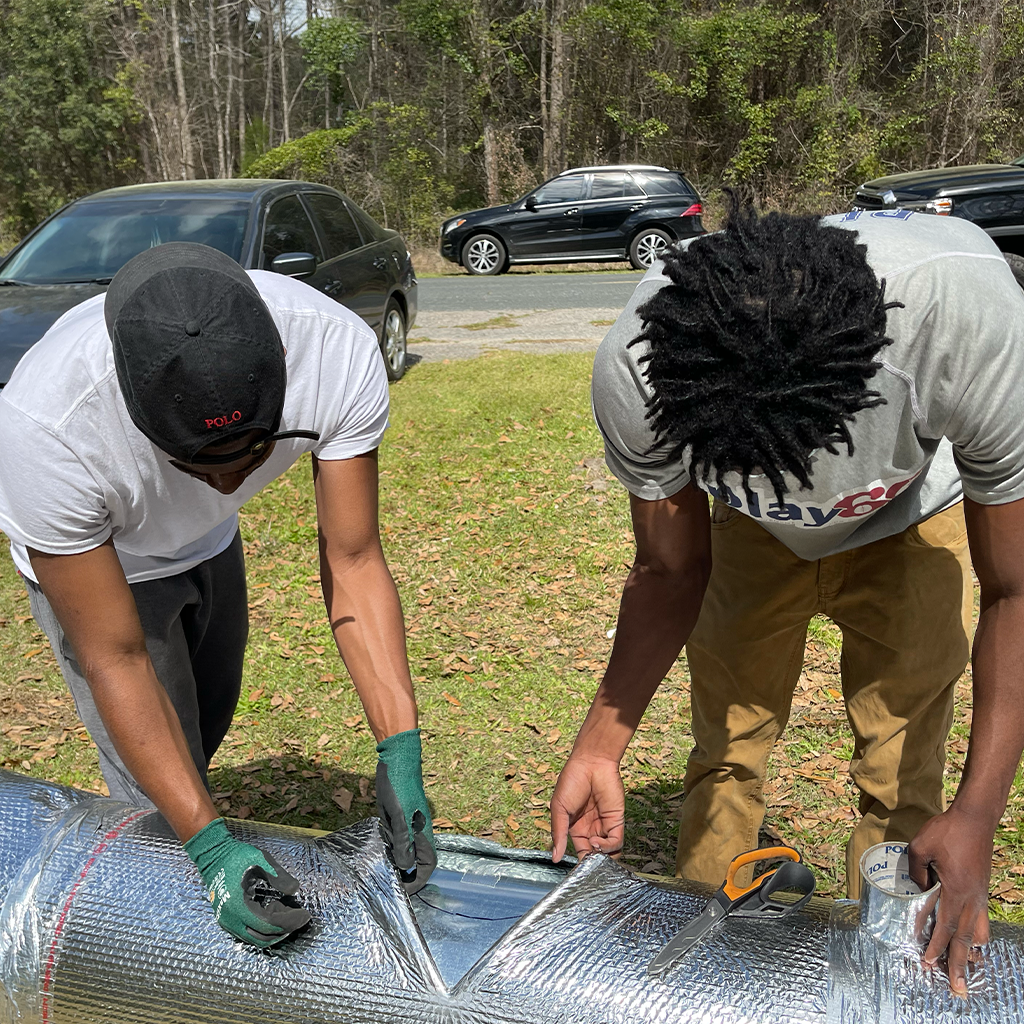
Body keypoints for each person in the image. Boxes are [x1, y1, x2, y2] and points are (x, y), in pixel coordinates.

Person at [550, 199, 1024, 995]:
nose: (796, 487)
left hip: (914, 515)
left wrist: (975, 816)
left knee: (902, 765)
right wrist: (599, 745)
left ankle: (891, 981)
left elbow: (1014, 587)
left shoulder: (968, 318)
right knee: (728, 748)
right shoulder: (644, 365)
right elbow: (668, 570)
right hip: (745, 542)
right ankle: (709, 972)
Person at [0, 242, 435, 948]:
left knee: (208, 714)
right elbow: (117, 658)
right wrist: (209, 850)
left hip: (208, 546)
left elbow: (353, 558)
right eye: (199, 465)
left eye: (256, 453)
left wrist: (401, 748)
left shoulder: (332, 349)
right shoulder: (45, 425)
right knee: (159, 806)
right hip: (105, 561)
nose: (232, 484)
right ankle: (177, 950)